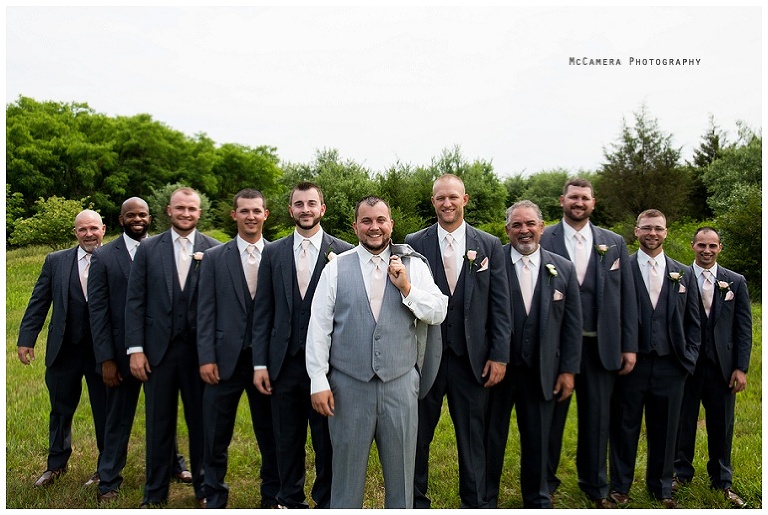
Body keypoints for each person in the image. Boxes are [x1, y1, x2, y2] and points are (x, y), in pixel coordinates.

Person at [306, 196, 447, 508]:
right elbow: (319, 327)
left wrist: (407, 289)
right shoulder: (335, 268)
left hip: (400, 386)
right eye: (366, 221)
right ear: (355, 226)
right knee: (346, 478)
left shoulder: (413, 266)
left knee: (402, 478)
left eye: (381, 220)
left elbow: (439, 311)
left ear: (391, 224)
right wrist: (318, 379)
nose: (374, 227)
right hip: (348, 387)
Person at [405, 174, 512, 508]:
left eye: (453, 197)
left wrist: (499, 355)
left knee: (473, 436)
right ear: (433, 201)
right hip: (425, 357)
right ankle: (414, 502)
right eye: (440, 198)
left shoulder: (489, 244)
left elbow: (500, 305)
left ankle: (475, 503)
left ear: (464, 200)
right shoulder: (414, 243)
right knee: (417, 434)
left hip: (472, 358)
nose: (447, 203)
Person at [252, 182, 353, 508]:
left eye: (311, 203)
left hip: (328, 366)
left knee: (326, 441)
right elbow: (263, 311)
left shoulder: (344, 252)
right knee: (286, 439)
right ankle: (290, 500)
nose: (305, 209)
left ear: (322, 208)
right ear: (290, 210)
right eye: (299, 204)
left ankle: (326, 502)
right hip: (284, 363)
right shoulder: (273, 252)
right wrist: (260, 364)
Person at [539, 178, 637, 508]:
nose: (578, 202)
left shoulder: (614, 242)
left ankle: (595, 485)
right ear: (561, 200)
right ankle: (545, 484)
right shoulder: (544, 237)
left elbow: (627, 297)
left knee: (597, 419)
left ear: (593, 203)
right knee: (551, 419)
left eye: (584, 198)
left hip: (600, 346)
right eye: (573, 197)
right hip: (556, 348)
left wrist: (628, 345)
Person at [88, 197, 192, 503]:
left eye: (142, 214)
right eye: (131, 215)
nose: (137, 219)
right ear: (121, 220)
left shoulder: (165, 250)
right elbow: (98, 312)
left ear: (150, 218)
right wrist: (106, 358)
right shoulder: (104, 257)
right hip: (121, 354)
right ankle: (109, 478)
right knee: (118, 417)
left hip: (161, 352)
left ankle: (174, 463)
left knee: (164, 412)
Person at [125, 187, 220, 507]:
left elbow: (219, 306)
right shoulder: (148, 249)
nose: (186, 213)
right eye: (180, 208)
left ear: (199, 213)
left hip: (199, 355)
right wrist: (135, 349)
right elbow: (135, 302)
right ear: (169, 210)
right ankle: (154, 494)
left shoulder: (213, 249)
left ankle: (204, 490)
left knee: (201, 424)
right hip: (158, 354)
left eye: (191, 209)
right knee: (158, 424)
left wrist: (213, 354)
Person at [485, 200, 582, 508]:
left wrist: (568, 370)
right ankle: (485, 498)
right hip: (497, 370)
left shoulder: (563, 268)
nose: (524, 230)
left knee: (539, 438)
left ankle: (537, 499)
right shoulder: (492, 262)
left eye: (530, 224)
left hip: (543, 370)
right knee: (491, 437)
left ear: (542, 227)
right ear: (507, 230)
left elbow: (571, 325)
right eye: (517, 225)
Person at [609, 209, 700, 508]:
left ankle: (661, 488)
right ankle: (620, 487)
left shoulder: (683, 273)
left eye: (658, 228)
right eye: (647, 228)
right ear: (636, 231)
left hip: (671, 365)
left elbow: (694, 322)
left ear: (666, 232)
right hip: (630, 365)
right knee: (624, 427)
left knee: (666, 429)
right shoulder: (620, 269)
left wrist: (687, 360)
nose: (653, 233)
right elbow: (611, 315)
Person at [196, 189, 280, 508]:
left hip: (266, 362)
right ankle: (214, 494)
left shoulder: (278, 255)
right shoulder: (215, 257)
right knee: (215, 434)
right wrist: (206, 357)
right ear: (234, 215)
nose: (250, 216)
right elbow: (204, 311)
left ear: (265, 215)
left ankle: (271, 496)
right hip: (223, 361)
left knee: (270, 434)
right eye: (244, 211)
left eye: (256, 211)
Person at [17, 209, 107, 488]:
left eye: (93, 228)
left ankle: (106, 467)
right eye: (83, 229)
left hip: (102, 352)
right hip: (64, 349)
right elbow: (39, 300)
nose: (89, 234)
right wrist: (26, 338)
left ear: (103, 229)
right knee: (60, 409)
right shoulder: (55, 261)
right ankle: (55, 465)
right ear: (75, 233)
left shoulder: (114, 259)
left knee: (105, 410)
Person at [673, 227, 751, 508]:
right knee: (683, 421)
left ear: (720, 248)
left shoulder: (735, 281)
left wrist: (740, 368)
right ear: (692, 246)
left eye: (712, 246)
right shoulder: (678, 277)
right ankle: (680, 474)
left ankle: (722, 481)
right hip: (688, 366)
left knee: (722, 424)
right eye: (702, 245)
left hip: (722, 367)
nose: (707, 250)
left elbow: (743, 328)